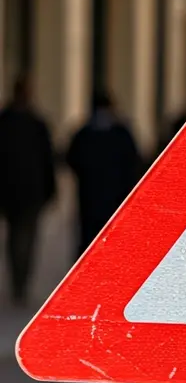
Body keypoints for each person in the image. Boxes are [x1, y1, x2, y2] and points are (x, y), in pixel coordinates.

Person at [0, 77, 57, 307]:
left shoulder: (24, 123)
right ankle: (19, 281)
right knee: (21, 237)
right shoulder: (33, 123)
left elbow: (47, 159)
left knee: (20, 238)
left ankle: (20, 281)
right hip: (22, 191)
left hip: (25, 191)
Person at [66, 91, 143, 258]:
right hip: (114, 198)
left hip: (90, 198)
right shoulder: (121, 134)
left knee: (89, 241)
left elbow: (72, 160)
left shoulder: (84, 134)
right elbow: (133, 163)